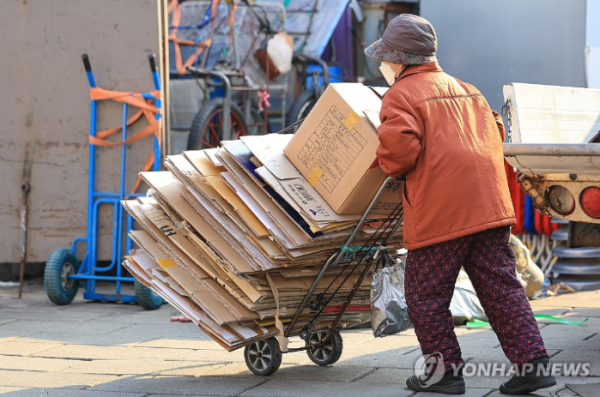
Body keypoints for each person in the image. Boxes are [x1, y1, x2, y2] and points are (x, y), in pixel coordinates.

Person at [364, 14, 555, 395]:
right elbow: (496, 131)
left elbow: (400, 152)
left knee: (424, 295)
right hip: (489, 208)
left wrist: (380, 162)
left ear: (398, 60)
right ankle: (533, 364)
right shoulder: (467, 88)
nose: (383, 65)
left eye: (385, 59)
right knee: (502, 289)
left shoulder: (401, 94)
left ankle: (444, 373)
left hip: (443, 214)